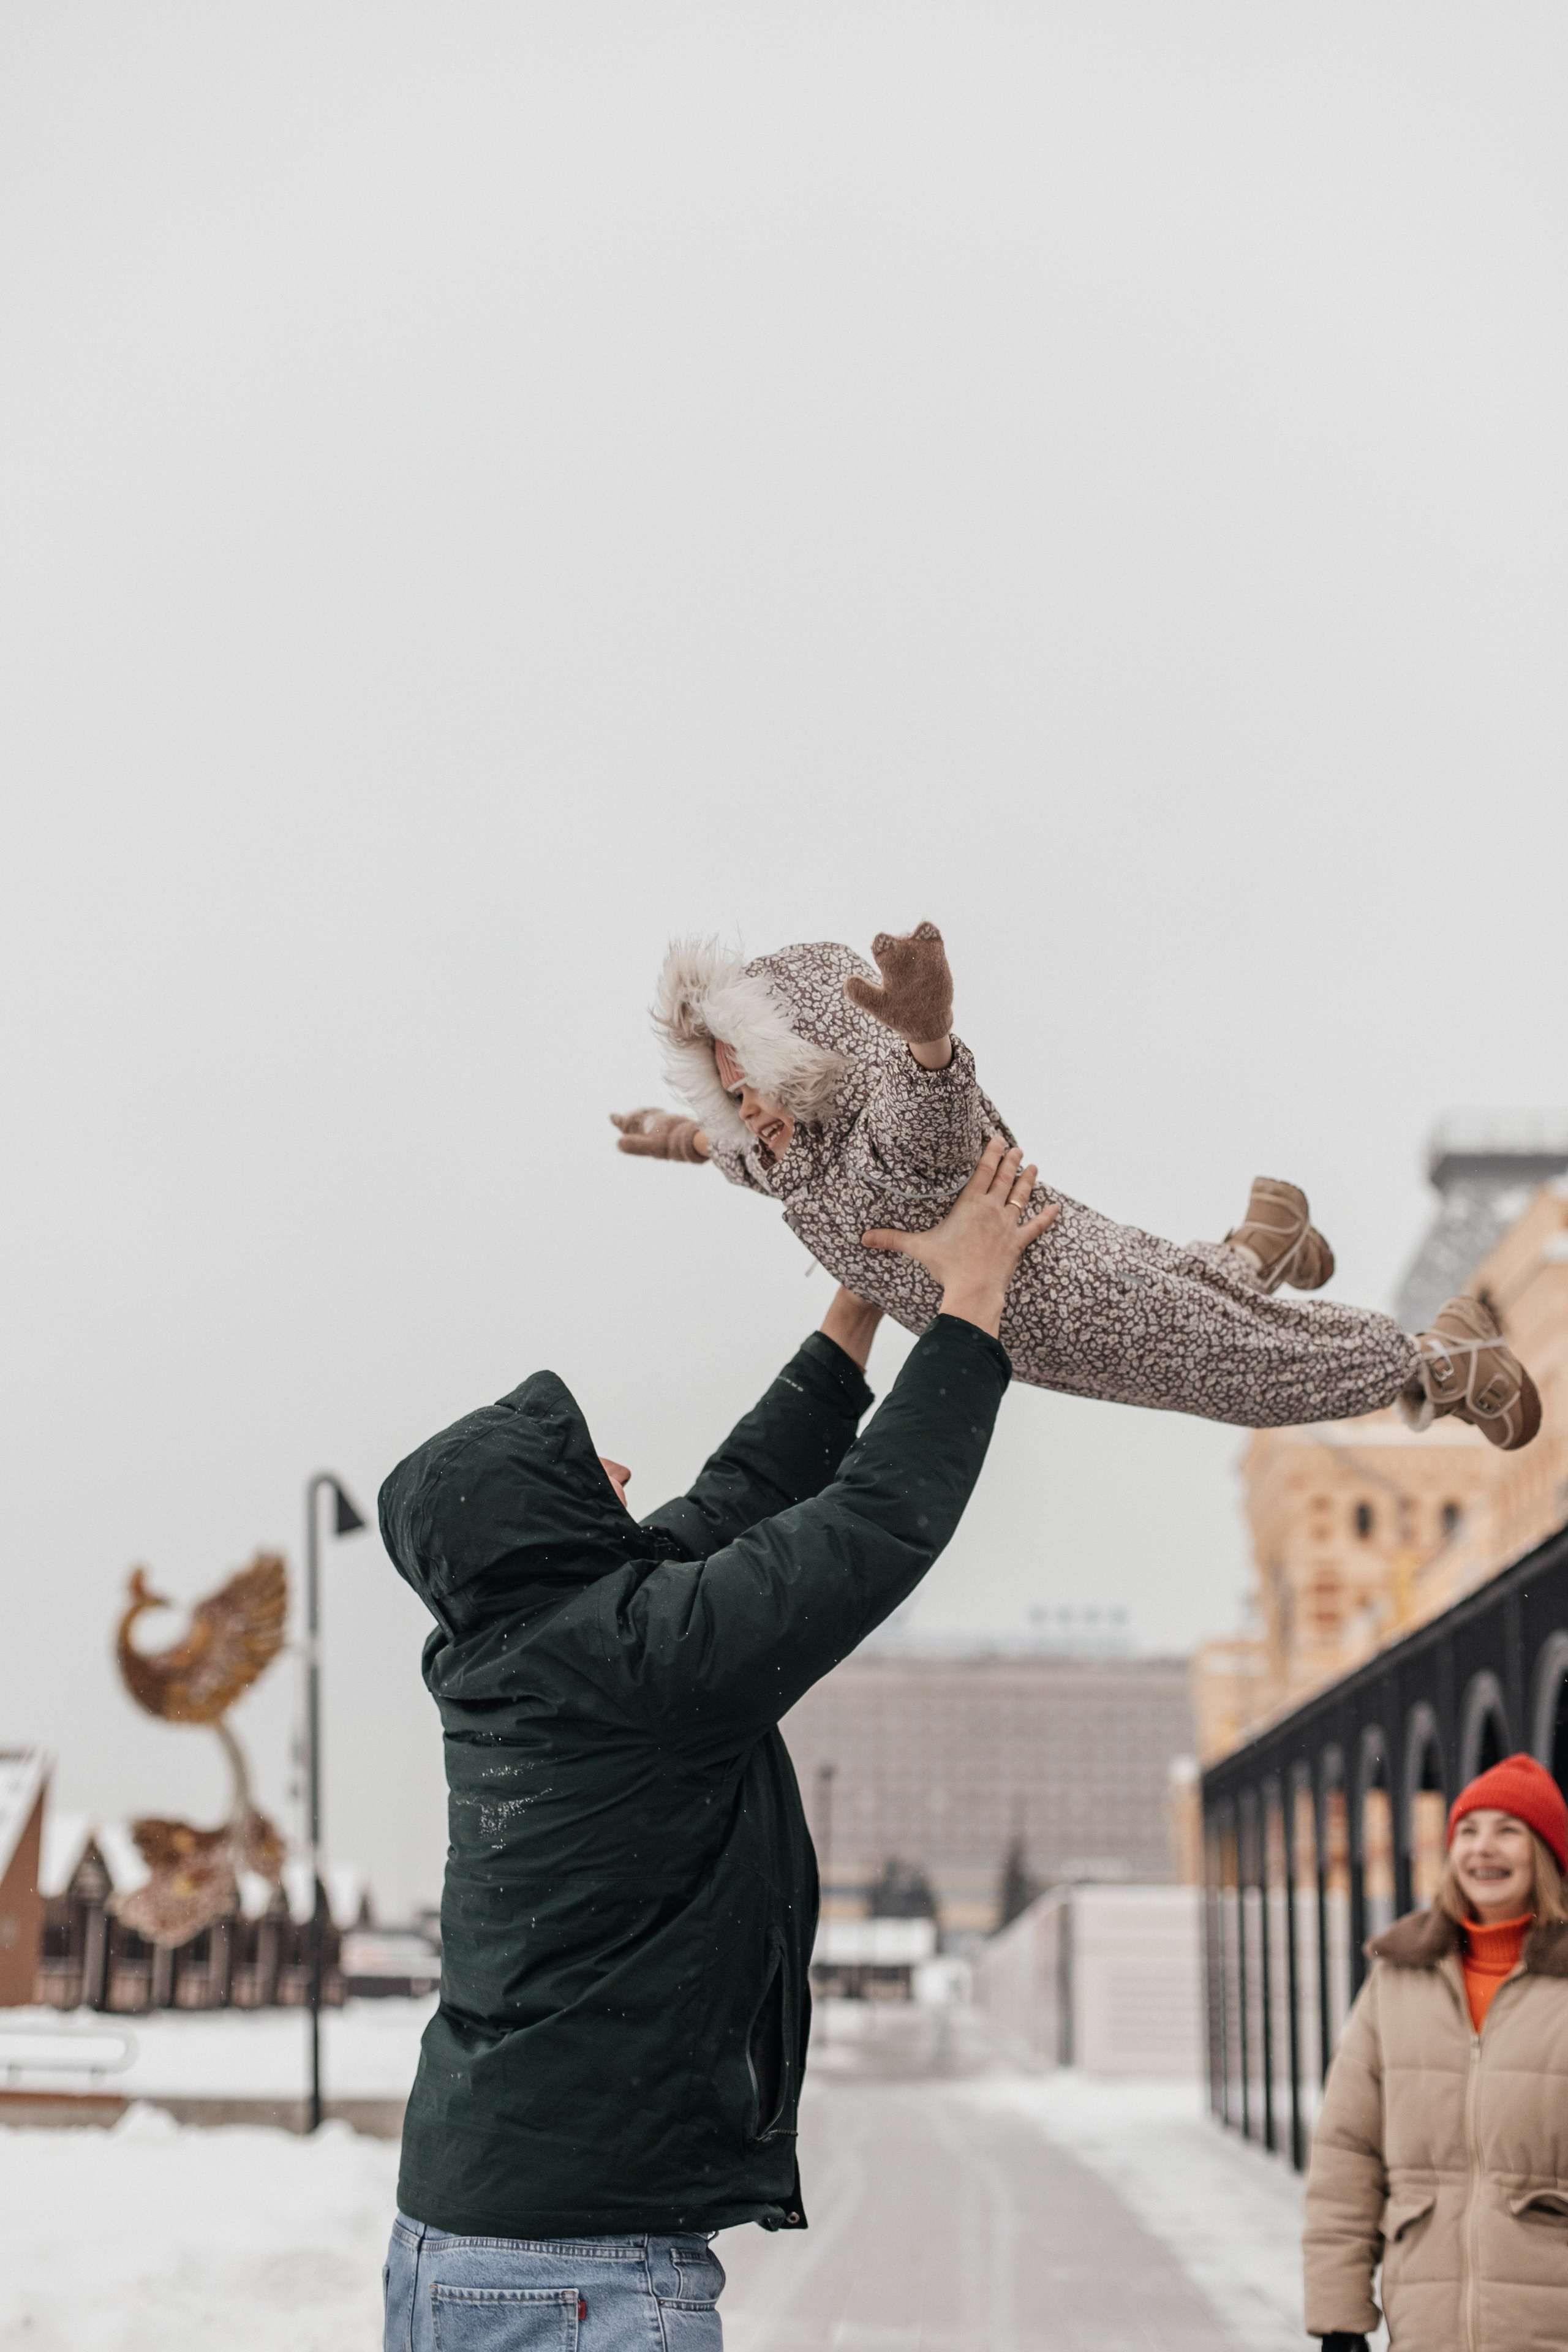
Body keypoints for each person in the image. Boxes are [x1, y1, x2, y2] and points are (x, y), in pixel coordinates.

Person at [378, 1136, 1052, 2352]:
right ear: (536, 1525)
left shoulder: (543, 1653)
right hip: (575, 2271)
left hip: (461, 2241)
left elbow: (741, 1495)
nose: (625, 1472)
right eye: (589, 1474)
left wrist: (863, 1298)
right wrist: (970, 1312)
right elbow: (867, 1527)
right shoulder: (639, 1664)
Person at [611, 924, 1540, 1448]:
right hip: (1044, 1294)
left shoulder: (881, 1138)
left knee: (1244, 1364)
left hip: (1074, 1299)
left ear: (809, 1057)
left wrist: (928, 1035)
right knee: (1195, 1301)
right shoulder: (786, 1157)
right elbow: (739, 1154)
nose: (749, 1111)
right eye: (729, 1093)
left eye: (755, 1083)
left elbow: (928, 1105)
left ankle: (1439, 1365)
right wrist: (683, 1137)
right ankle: (1266, 1244)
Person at [1303, 1752, 1568, 2351]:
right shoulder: (1399, 1979)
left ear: (1546, 1852)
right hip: (1425, 2326)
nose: (1483, 1849)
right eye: (1468, 1832)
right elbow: (1348, 2152)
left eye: (1509, 1831)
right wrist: (1338, 2315)